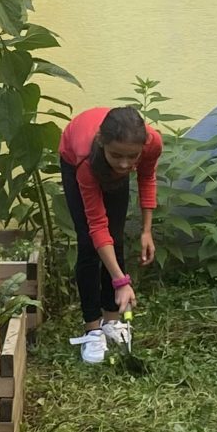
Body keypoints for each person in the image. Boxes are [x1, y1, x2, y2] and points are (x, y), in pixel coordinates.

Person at [58, 104, 160, 363]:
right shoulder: (84, 159)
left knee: (115, 235)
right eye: (117, 156)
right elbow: (96, 225)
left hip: (105, 157)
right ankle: (93, 328)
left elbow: (147, 177)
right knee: (88, 243)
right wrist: (121, 281)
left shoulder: (148, 143)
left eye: (132, 157)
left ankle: (111, 320)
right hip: (77, 161)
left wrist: (147, 230)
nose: (125, 164)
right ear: (103, 143)